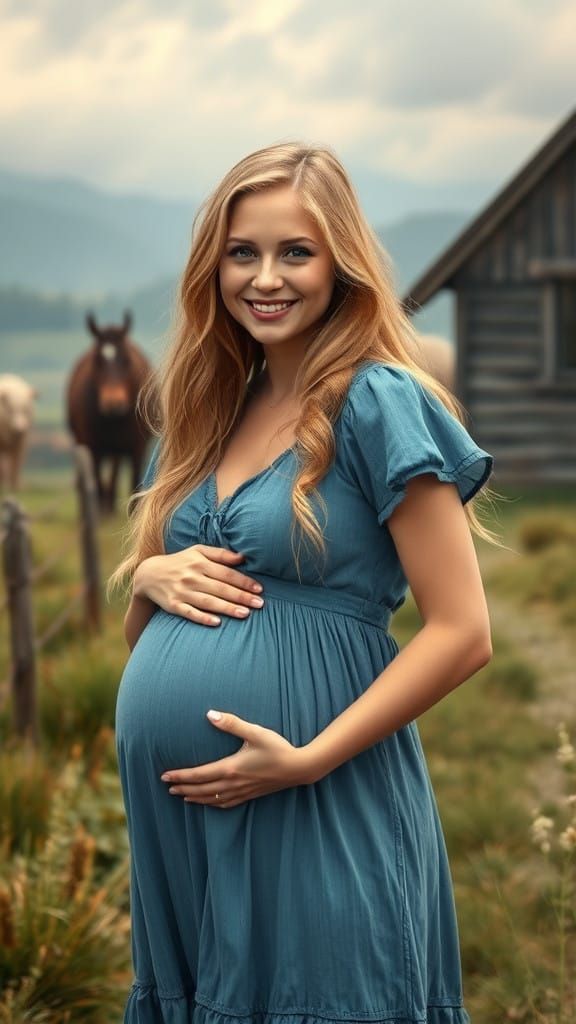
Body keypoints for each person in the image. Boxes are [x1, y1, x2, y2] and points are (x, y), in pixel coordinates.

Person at [111, 141, 499, 1024]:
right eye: (243, 252)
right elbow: (152, 641)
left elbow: (463, 630)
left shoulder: (378, 400)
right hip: (183, 827)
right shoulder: (201, 410)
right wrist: (150, 577)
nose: (265, 278)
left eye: (296, 252)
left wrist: (306, 761)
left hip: (321, 793)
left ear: (341, 265)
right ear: (214, 266)